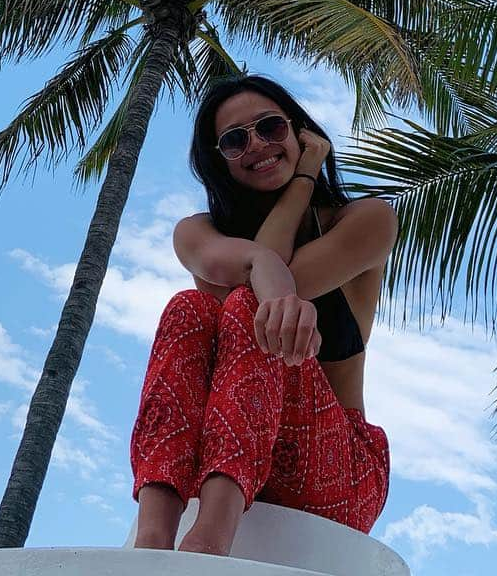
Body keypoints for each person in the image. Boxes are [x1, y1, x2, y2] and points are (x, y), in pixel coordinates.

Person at [130, 75, 397, 556]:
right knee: (186, 307)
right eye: (235, 140)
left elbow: (278, 286)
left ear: (300, 133)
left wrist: (303, 181)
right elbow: (264, 264)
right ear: (220, 160)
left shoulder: (366, 220)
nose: (256, 144)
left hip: (340, 471)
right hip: (221, 456)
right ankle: (153, 537)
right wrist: (260, 261)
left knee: (250, 305)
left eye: (271, 128)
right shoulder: (198, 233)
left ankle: (209, 542)